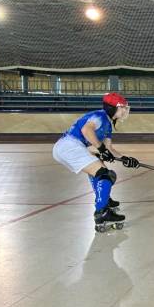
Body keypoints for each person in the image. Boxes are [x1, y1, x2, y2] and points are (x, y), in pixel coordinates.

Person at [52, 93, 140, 232]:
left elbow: (109, 148)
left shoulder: (108, 125)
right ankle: (102, 212)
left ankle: (104, 199)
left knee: (98, 166)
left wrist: (125, 159)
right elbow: (86, 130)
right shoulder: (100, 116)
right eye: (122, 107)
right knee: (106, 175)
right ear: (112, 108)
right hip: (70, 146)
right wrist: (100, 148)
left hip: (67, 147)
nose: (125, 110)